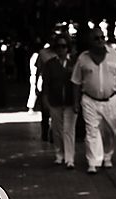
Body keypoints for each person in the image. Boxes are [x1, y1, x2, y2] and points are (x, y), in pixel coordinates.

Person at [71, 27, 116, 174]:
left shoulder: (114, 55)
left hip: (110, 100)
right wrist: (76, 102)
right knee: (91, 131)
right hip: (89, 100)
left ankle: (107, 156)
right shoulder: (83, 58)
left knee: (110, 130)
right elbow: (76, 81)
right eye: (96, 38)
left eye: (102, 37)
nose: (100, 41)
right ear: (90, 41)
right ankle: (93, 161)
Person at [41, 34, 77, 168]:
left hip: (70, 101)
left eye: (64, 46)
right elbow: (46, 83)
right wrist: (45, 99)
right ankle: (59, 154)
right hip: (55, 101)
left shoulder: (74, 63)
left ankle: (69, 158)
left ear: (68, 48)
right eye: (58, 46)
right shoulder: (50, 64)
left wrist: (77, 101)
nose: (61, 49)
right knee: (57, 130)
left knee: (69, 130)